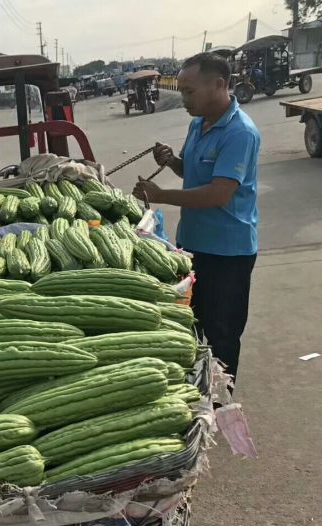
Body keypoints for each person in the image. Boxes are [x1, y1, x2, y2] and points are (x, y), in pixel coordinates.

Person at [133, 52, 260, 386]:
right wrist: (172, 160)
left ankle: (219, 400)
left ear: (219, 85)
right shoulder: (197, 123)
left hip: (227, 253)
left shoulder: (240, 133)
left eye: (189, 91)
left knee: (221, 333)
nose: (183, 98)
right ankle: (197, 389)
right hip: (192, 246)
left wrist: (159, 195)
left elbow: (219, 193)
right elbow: (194, 173)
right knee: (191, 323)